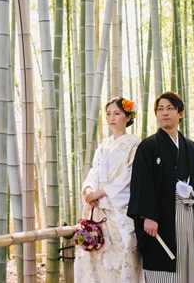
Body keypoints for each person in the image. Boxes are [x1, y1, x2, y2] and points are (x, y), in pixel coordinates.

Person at [128, 91, 194, 283]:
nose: (165, 113)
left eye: (170, 108)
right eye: (160, 109)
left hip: (189, 213)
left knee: (187, 260)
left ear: (181, 113)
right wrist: (149, 215)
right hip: (161, 217)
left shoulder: (190, 147)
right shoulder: (148, 146)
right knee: (163, 262)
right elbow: (142, 183)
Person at [75, 96, 142, 283]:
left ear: (128, 117)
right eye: (108, 114)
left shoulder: (134, 144)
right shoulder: (103, 145)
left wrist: (102, 192)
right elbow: (93, 172)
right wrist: (88, 189)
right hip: (97, 209)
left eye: (117, 113)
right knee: (96, 260)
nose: (112, 118)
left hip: (118, 209)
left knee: (120, 258)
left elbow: (129, 175)